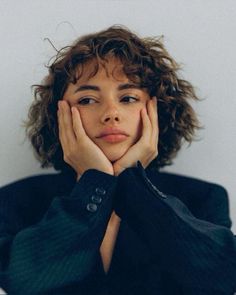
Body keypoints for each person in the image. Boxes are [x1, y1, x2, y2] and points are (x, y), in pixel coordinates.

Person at [0, 25, 235, 295]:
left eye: (128, 98)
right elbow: (23, 281)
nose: (111, 113)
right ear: (60, 116)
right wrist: (95, 183)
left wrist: (131, 180)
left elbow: (222, 278)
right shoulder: (16, 200)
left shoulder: (204, 198)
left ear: (155, 111)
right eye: (87, 99)